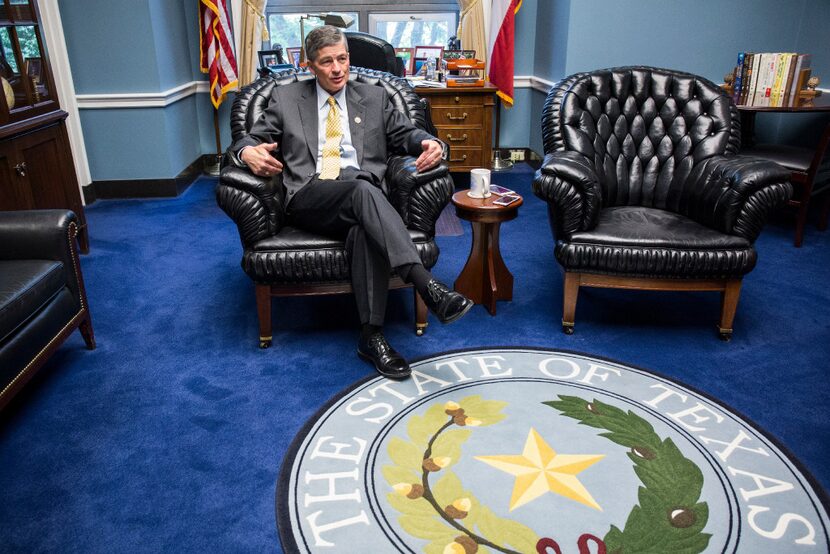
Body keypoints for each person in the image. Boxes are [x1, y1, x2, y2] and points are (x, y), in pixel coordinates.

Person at [230, 26, 473, 380]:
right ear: (310, 65)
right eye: (327, 62)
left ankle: (371, 336)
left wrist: (428, 142)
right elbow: (247, 140)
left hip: (362, 199)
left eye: (342, 59)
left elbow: (405, 133)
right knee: (363, 191)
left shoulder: (373, 97)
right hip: (312, 196)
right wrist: (247, 151)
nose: (337, 68)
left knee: (363, 224)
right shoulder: (285, 100)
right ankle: (426, 284)